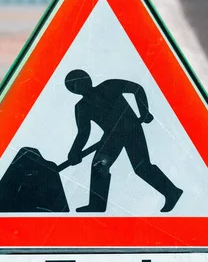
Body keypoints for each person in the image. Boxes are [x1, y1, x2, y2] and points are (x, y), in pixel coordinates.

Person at [65, 69, 183, 213]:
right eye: (76, 85)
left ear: (88, 78)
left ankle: (172, 192)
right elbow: (83, 132)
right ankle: (97, 205)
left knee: (141, 167)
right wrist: (74, 152)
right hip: (112, 136)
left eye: (82, 80)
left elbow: (136, 89)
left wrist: (144, 112)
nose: (81, 85)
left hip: (131, 128)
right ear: (73, 91)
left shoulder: (108, 85)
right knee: (99, 166)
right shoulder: (81, 107)